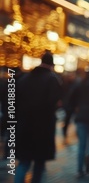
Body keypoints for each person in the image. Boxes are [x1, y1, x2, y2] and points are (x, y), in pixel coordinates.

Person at [15, 51, 63, 183]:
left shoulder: (24, 79)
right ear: (51, 65)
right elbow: (54, 103)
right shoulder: (52, 80)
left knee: (23, 163)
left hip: (24, 127)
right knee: (39, 165)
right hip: (42, 129)